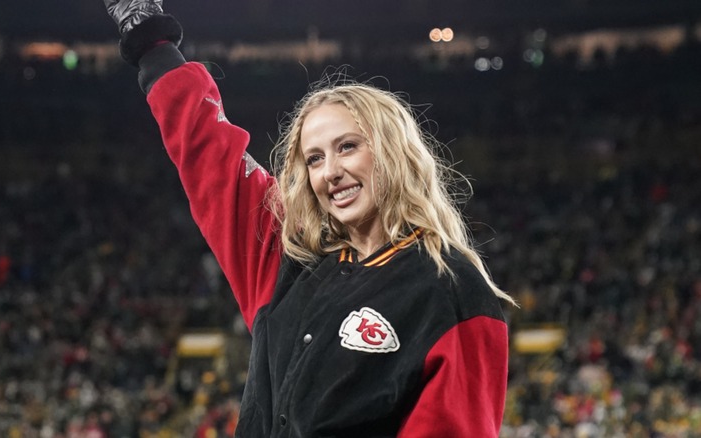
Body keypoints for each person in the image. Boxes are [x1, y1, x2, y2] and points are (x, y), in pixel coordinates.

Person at [102, 1, 515, 436]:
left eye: (348, 147)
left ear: (394, 152)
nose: (330, 171)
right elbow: (210, 155)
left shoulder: (450, 287)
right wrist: (152, 42)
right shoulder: (289, 260)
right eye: (314, 158)